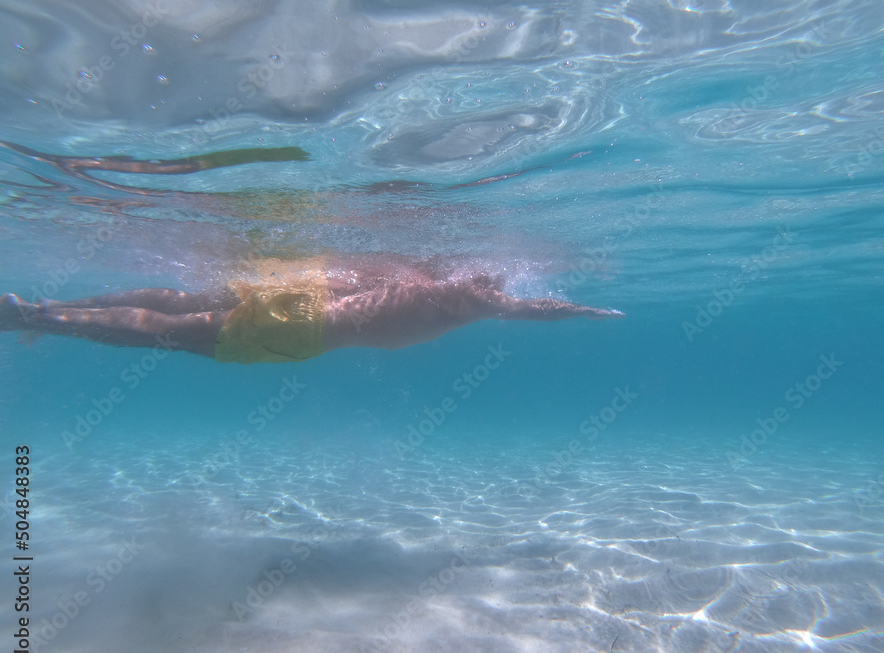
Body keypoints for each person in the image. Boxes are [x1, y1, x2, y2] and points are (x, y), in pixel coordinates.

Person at [0, 256, 622, 364]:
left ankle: (44, 307)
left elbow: (521, 305)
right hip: (308, 326)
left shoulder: (428, 277)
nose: (499, 283)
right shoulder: (475, 296)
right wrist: (582, 311)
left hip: (306, 293)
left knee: (177, 303)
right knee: (171, 332)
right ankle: (33, 318)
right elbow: (526, 310)